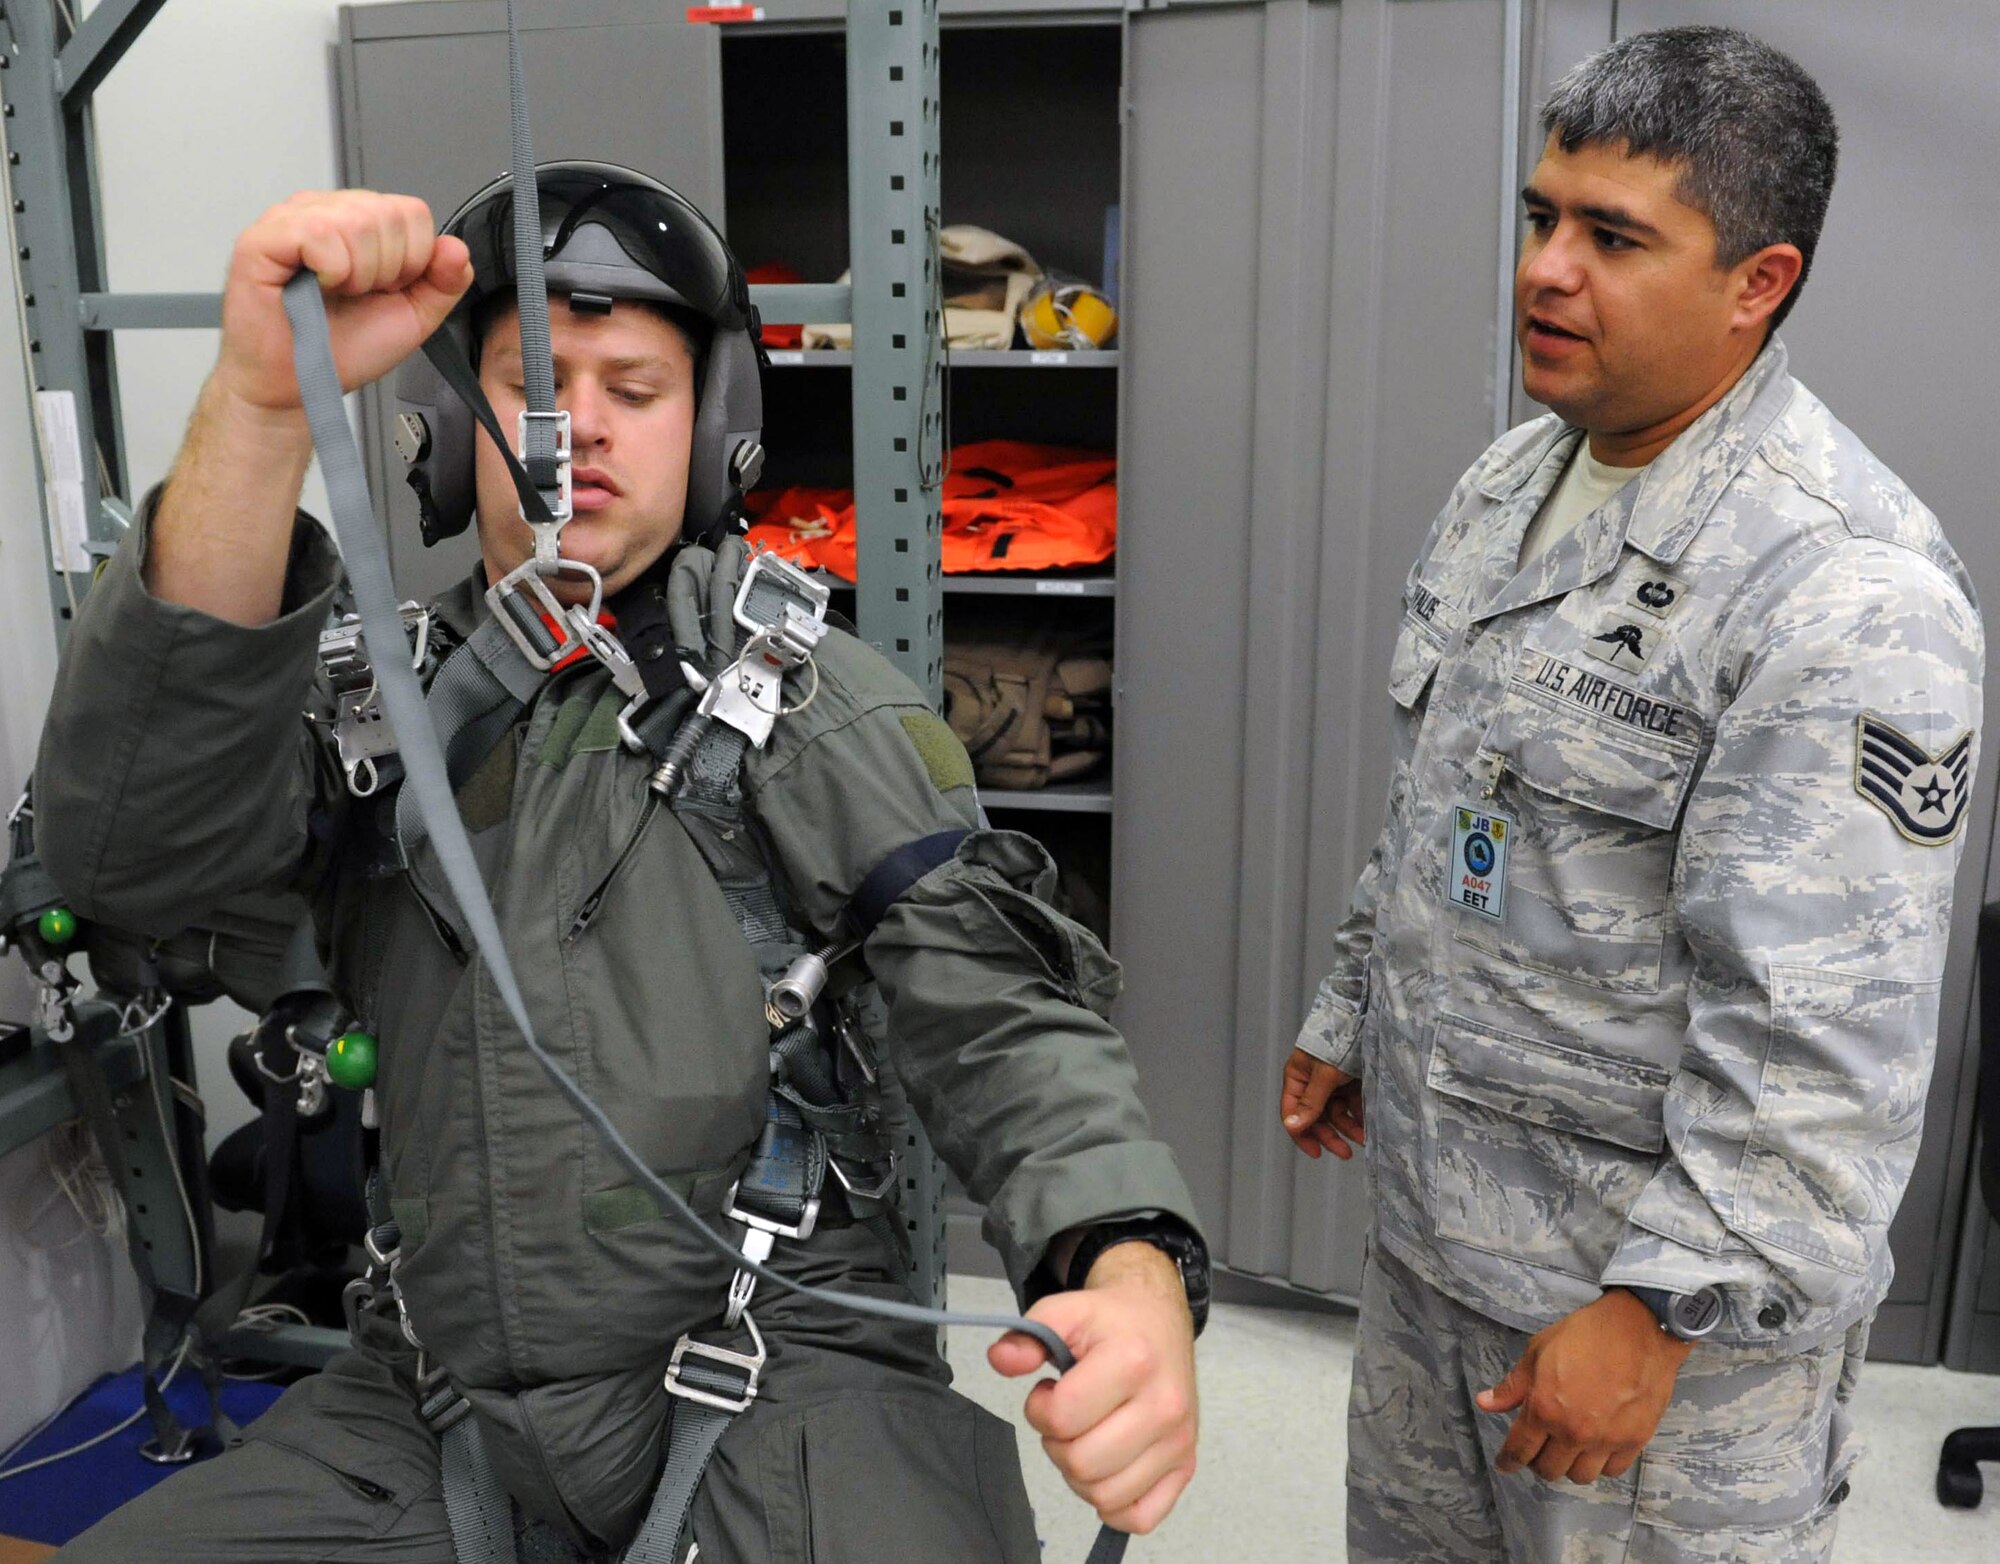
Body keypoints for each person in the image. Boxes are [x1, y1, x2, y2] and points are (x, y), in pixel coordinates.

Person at [35, 162, 1207, 1562]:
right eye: (532, 382)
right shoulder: (373, 716)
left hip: (781, 1374)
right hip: (432, 1394)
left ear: (711, 433)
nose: (575, 425)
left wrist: (1124, 1260)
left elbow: (1003, 1024)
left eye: (634, 390)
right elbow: (129, 864)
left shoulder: (814, 705)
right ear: (449, 430)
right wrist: (259, 408)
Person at [1279, 26, 1981, 1564]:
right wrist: (1355, 1004)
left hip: (1658, 1354)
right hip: (1438, 1255)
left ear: (1757, 282)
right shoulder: (1512, 483)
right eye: (1543, 217)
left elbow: (1827, 1039)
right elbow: (1452, 796)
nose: (1545, 270)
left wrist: (1660, 1312)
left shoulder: (1846, 593)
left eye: (1613, 237)